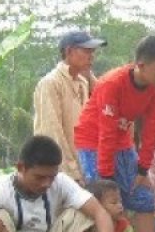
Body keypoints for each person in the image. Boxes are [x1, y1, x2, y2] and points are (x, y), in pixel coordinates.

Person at [74, 34, 155, 232]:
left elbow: (151, 126)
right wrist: (107, 178)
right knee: (104, 202)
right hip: (93, 143)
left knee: (144, 199)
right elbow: (106, 133)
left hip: (122, 141)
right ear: (141, 65)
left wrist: (143, 167)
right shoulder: (112, 84)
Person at [33, 30, 106, 184]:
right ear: (69, 52)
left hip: (83, 167)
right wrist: (70, 172)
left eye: (92, 51)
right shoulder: (50, 83)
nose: (91, 56)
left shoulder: (83, 82)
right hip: (60, 172)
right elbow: (52, 132)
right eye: (86, 51)